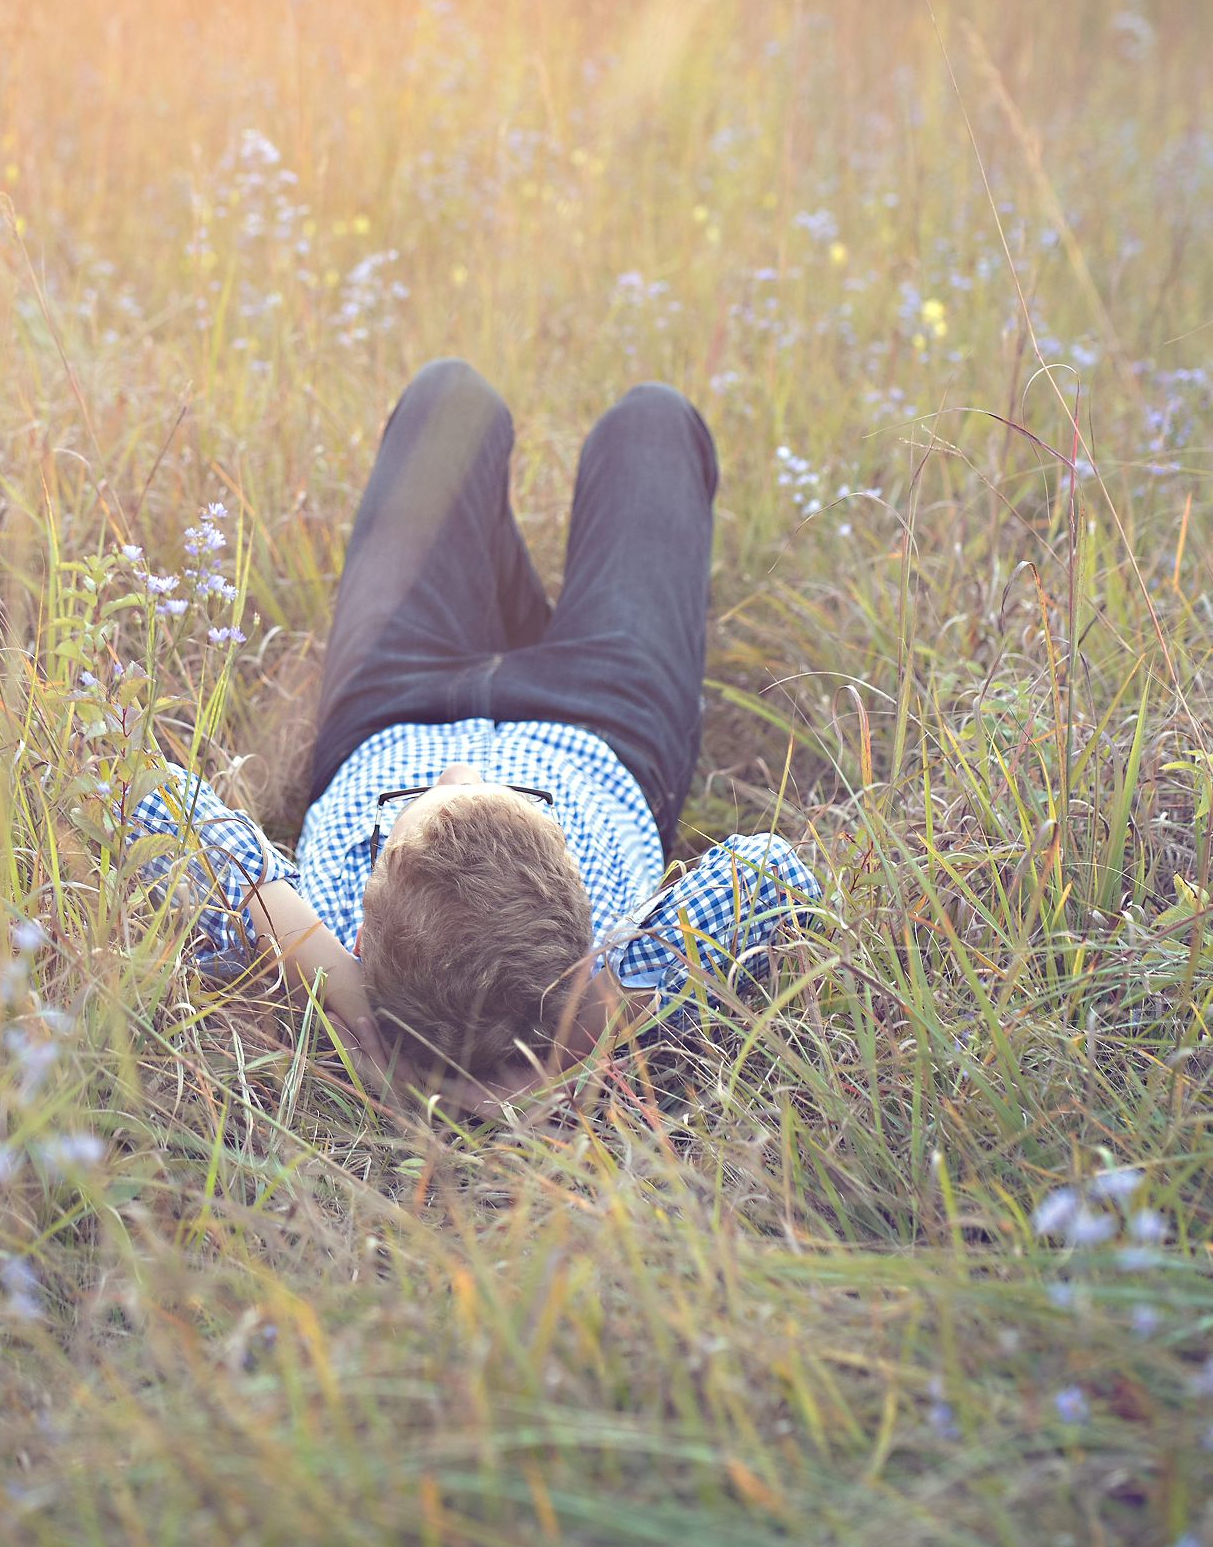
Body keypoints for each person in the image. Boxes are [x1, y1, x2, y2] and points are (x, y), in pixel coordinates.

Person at [128, 360, 818, 1113]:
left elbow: (156, 798)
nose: (459, 765)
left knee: (451, 398)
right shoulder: (611, 955)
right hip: (601, 717)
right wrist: (579, 1029)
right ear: (583, 914)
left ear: (365, 906)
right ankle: (527, 609)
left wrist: (341, 986)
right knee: (652, 422)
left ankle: (496, 594)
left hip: (394, 698)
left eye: (425, 802)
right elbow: (771, 872)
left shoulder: (330, 923)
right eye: (508, 797)